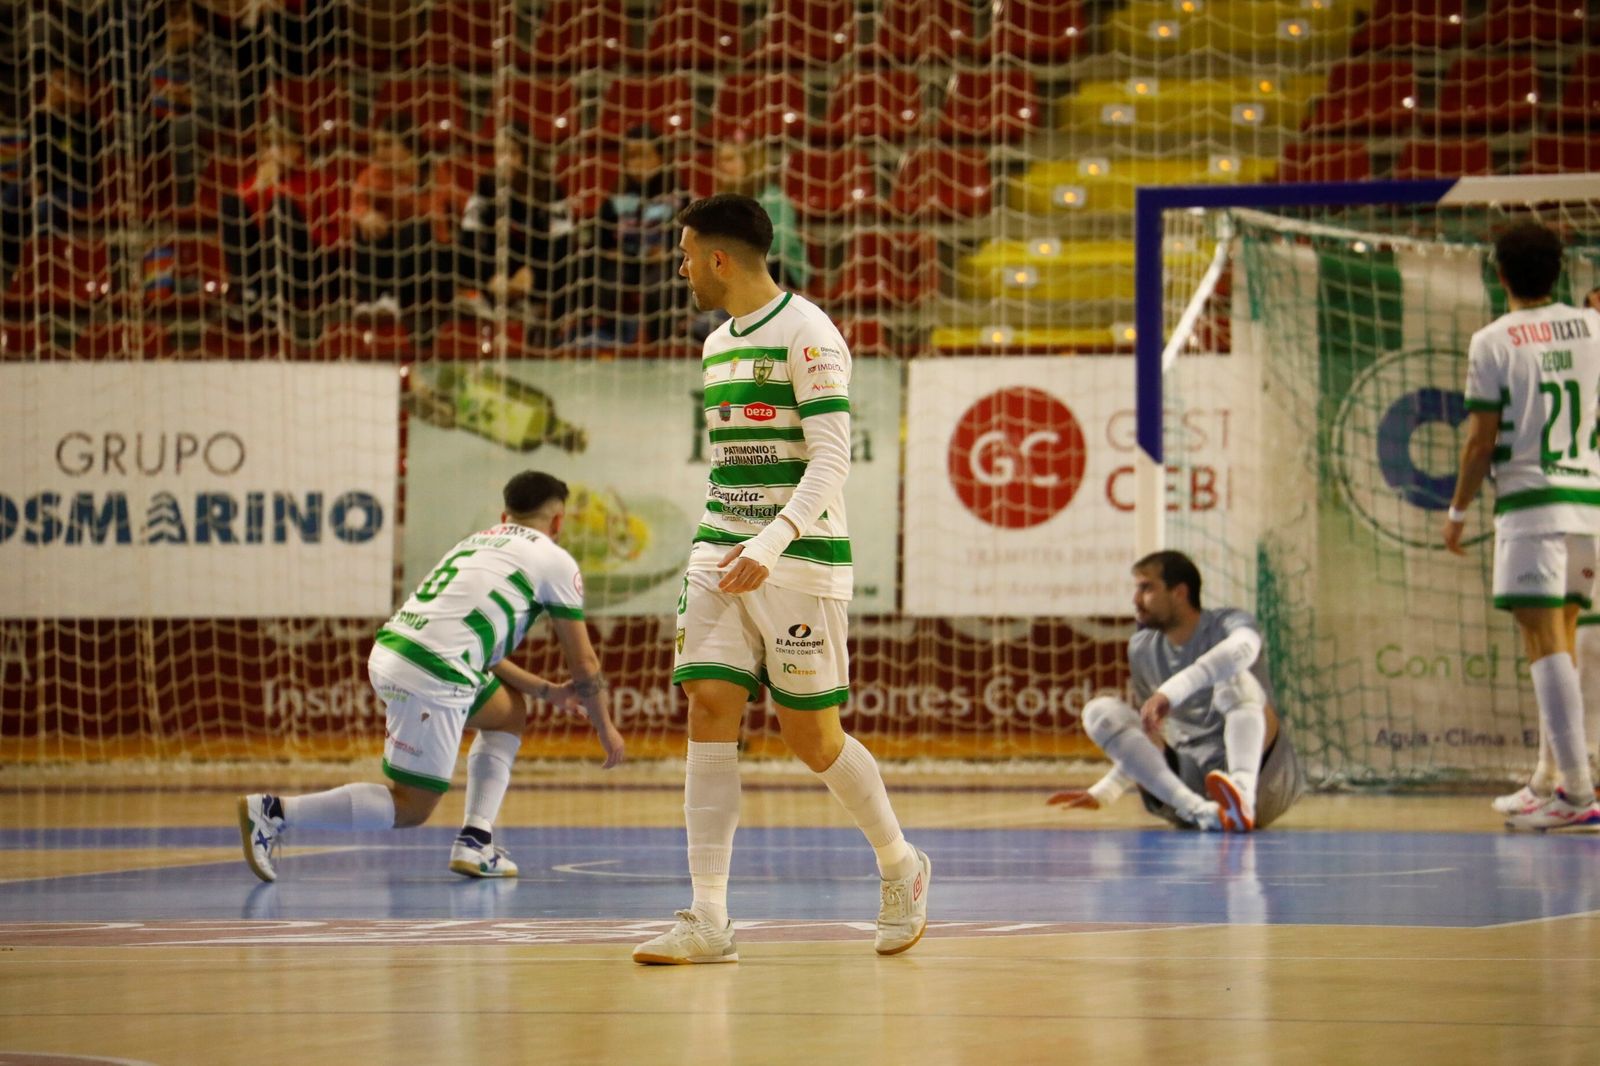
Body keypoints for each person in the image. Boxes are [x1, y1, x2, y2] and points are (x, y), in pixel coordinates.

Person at [632, 193, 928, 965]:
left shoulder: (809, 331)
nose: (682, 266)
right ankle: (708, 919)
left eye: (688, 252)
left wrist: (776, 537)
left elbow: (832, 458)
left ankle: (901, 865)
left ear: (719, 259)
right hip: (719, 545)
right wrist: (737, 540)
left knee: (811, 736)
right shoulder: (714, 343)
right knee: (708, 703)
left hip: (799, 555)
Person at [238, 471, 625, 883]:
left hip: (392, 651)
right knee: (410, 808)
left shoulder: (476, 543)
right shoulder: (554, 559)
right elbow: (584, 663)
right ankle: (274, 812)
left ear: (505, 515)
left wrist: (546, 692)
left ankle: (476, 840)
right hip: (433, 673)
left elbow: (483, 653)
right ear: (559, 522)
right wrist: (605, 728)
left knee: (509, 712)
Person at [1446, 221, 1600, 831]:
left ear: (1499, 273)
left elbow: (1480, 444)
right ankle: (1550, 779)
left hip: (1533, 504)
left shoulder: (1492, 341)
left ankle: (1579, 793)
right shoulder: (1593, 328)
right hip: (1590, 500)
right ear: (1559, 271)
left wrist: (1457, 512)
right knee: (1562, 637)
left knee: (1543, 646)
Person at [1048, 551, 1305, 833]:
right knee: (1098, 712)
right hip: (1190, 784)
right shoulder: (1142, 648)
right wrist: (1106, 790)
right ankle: (1202, 811)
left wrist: (1170, 691)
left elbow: (1242, 648)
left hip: (1265, 782)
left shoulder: (1229, 624)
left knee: (1235, 677)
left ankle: (1241, 795)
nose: (1136, 600)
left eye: (1146, 588)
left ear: (1180, 592)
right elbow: (1149, 736)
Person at [454, 125, 574, 334]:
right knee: (449, 254)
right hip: (496, 272)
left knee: (572, 262)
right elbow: (469, 238)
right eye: (500, 152)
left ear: (527, 155)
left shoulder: (549, 189)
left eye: (514, 153)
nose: (506, 160)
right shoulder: (486, 186)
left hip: (536, 272)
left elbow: (562, 244)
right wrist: (490, 276)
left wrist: (531, 274)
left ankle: (536, 311)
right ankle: (482, 302)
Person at [687, 137, 809, 341]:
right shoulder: (721, 199)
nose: (723, 166)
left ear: (749, 161)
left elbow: (779, 242)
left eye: (730, 159)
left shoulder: (772, 197)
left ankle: (723, 317)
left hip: (778, 268)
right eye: (721, 160)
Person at [217, 119, 339, 314]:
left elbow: (337, 240)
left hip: (309, 265)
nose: (271, 153)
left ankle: (274, 299)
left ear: (298, 149)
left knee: (280, 207)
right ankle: (248, 292)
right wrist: (258, 189)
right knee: (230, 202)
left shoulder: (322, 182)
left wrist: (279, 195)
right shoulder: (256, 184)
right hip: (264, 267)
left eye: (280, 145)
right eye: (266, 146)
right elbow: (240, 227)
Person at [349, 116, 466, 317]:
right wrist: (365, 215)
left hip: (429, 259)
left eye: (387, 144)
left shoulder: (434, 172)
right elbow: (357, 205)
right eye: (376, 145)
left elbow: (463, 203)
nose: (378, 152)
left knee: (416, 228)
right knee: (364, 231)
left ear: (409, 147)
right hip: (388, 254)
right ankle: (370, 299)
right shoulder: (371, 175)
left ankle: (391, 298)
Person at [584, 125, 688, 345]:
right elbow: (599, 237)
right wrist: (609, 251)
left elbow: (686, 235)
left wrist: (670, 250)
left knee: (658, 287)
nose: (637, 164)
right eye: (631, 158)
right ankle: (609, 336)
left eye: (644, 156)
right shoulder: (616, 197)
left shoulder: (677, 195)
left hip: (663, 263)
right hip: (626, 261)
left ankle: (661, 341)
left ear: (660, 158)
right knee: (609, 282)